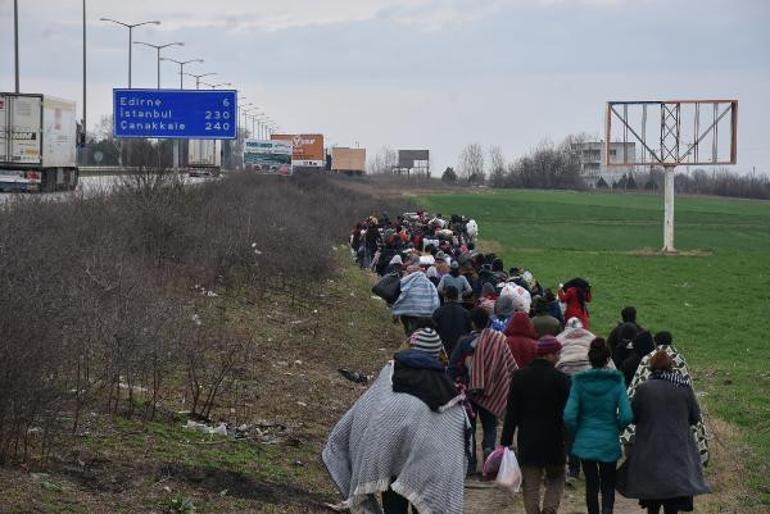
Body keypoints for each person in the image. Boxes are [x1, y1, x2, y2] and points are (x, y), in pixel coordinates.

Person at [322, 329, 467, 514]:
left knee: (392, 501)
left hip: (388, 450)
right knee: (420, 501)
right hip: (426, 461)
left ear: (409, 346)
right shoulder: (448, 388)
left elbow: (368, 409)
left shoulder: (391, 372)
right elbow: (456, 433)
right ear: (438, 354)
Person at [617, 351, 710, 514]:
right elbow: (695, 418)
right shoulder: (684, 388)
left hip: (650, 449)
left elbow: (633, 417)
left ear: (651, 368)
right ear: (671, 367)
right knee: (672, 501)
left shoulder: (644, 389)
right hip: (678, 450)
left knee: (652, 499)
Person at [501, 336, 571, 514]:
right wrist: (570, 440)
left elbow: (512, 412)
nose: (559, 357)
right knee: (557, 477)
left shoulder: (519, 377)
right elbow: (568, 414)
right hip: (554, 439)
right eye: (557, 354)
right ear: (550, 354)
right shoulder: (562, 379)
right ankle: (549, 509)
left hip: (528, 439)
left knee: (530, 482)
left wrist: (506, 439)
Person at [563, 338, 633, 514]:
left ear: (590, 358)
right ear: (608, 358)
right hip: (608, 437)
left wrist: (577, 431)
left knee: (591, 483)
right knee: (608, 483)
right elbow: (626, 415)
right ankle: (607, 510)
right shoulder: (617, 382)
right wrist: (616, 427)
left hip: (585, 439)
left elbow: (569, 415)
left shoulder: (579, 382)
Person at [621, 331, 710, 465]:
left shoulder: (647, 359)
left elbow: (636, 385)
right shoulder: (680, 359)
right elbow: (689, 389)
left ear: (655, 342)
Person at [391, 267, 440, 335]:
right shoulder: (430, 285)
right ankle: (416, 339)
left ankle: (409, 336)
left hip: (408, 312)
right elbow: (435, 300)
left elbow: (402, 295)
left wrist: (397, 309)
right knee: (417, 329)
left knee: (410, 328)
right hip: (424, 314)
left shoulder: (409, 284)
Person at [432, 285, 472, 356]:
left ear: (445, 297)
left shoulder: (438, 312)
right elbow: (469, 331)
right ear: (457, 297)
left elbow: (433, 332)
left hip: (443, 350)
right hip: (460, 351)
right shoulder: (465, 312)